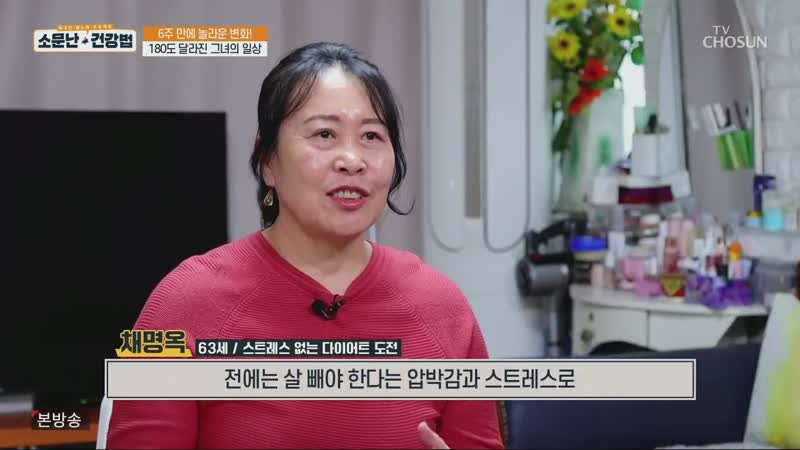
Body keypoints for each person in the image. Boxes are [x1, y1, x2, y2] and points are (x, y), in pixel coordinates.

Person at [104, 42, 503, 449]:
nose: (352, 160)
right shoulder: (183, 302)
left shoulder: (441, 305)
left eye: (371, 136)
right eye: (325, 134)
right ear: (268, 161)